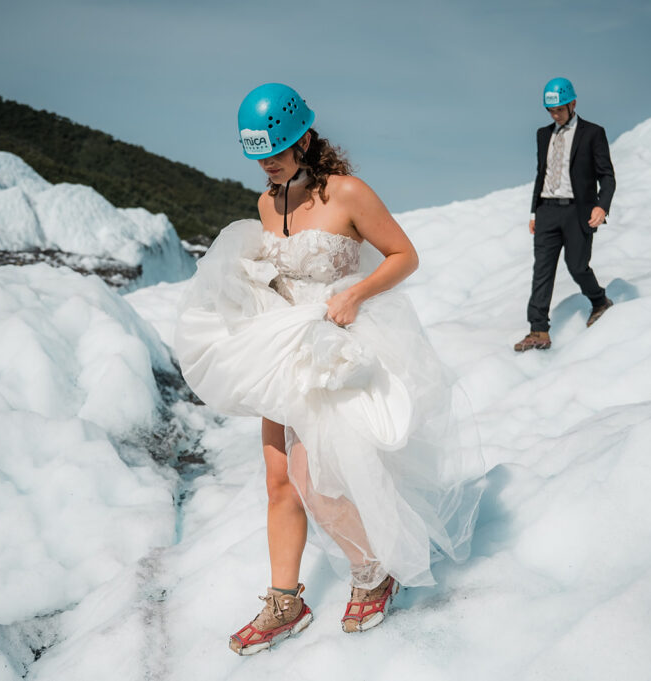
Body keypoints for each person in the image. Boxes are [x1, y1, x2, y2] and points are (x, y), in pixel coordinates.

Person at [174, 83, 483, 655]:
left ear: (305, 139)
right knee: (277, 481)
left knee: (316, 479)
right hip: (284, 348)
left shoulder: (347, 192)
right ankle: (284, 601)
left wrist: (357, 294)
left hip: (336, 347)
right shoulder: (268, 203)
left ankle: (373, 570)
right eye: (259, 156)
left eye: (277, 152)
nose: (267, 165)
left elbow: (404, 255)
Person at [515, 77, 616, 352]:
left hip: (577, 211)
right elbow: (542, 174)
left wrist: (601, 205)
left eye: (559, 109)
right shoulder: (543, 134)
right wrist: (534, 211)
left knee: (577, 266)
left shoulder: (593, 133)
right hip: (547, 209)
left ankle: (599, 301)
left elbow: (607, 176)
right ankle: (538, 330)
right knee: (542, 271)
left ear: (573, 104)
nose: (555, 115)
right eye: (550, 110)